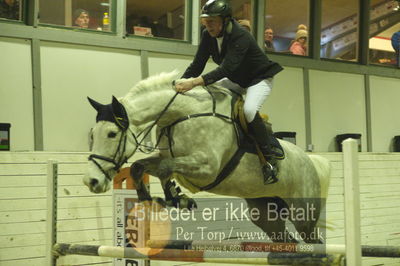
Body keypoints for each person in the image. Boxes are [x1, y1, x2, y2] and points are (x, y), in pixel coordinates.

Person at [175, 0, 283, 177]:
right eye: (205, 21)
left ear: (225, 21)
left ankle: (269, 158)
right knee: (207, 94)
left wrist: (193, 83)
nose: (207, 25)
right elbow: (197, 65)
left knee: (249, 110)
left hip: (258, 78)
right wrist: (180, 83)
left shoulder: (241, 35)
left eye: (212, 21)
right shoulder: (207, 35)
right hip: (236, 79)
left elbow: (226, 69)